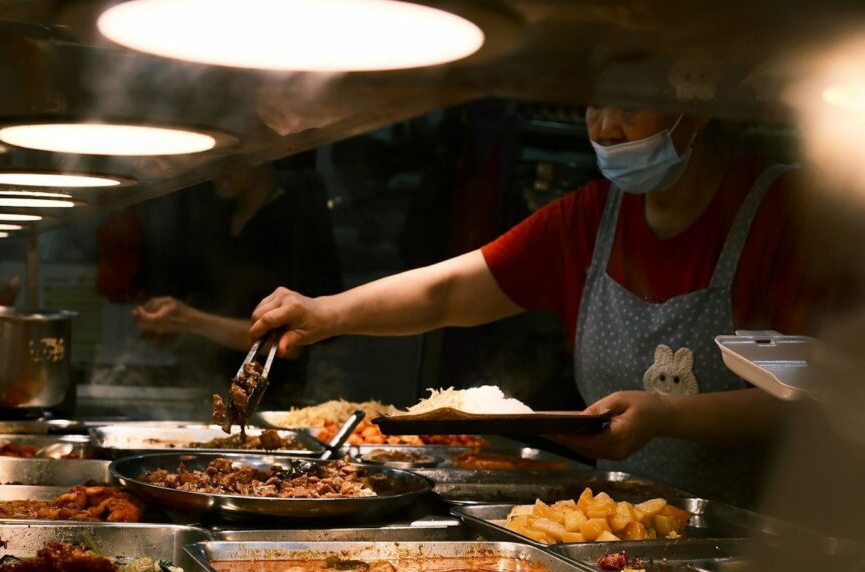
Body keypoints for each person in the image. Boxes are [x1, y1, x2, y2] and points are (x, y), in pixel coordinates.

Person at [249, 108, 841, 506]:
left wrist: (667, 415)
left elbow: (821, 403)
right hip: (622, 528)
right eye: (593, 104)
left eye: (629, 103)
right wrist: (327, 312)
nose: (605, 127)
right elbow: (450, 291)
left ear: (699, 103)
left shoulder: (790, 215)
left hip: (765, 544)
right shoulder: (591, 218)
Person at [133, 161, 342, 407]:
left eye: (229, 161)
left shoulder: (293, 223)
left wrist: (188, 318)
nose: (216, 172)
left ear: (261, 158)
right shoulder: (217, 220)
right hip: (205, 391)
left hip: (270, 403)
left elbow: (290, 343)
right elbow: (207, 310)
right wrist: (169, 326)